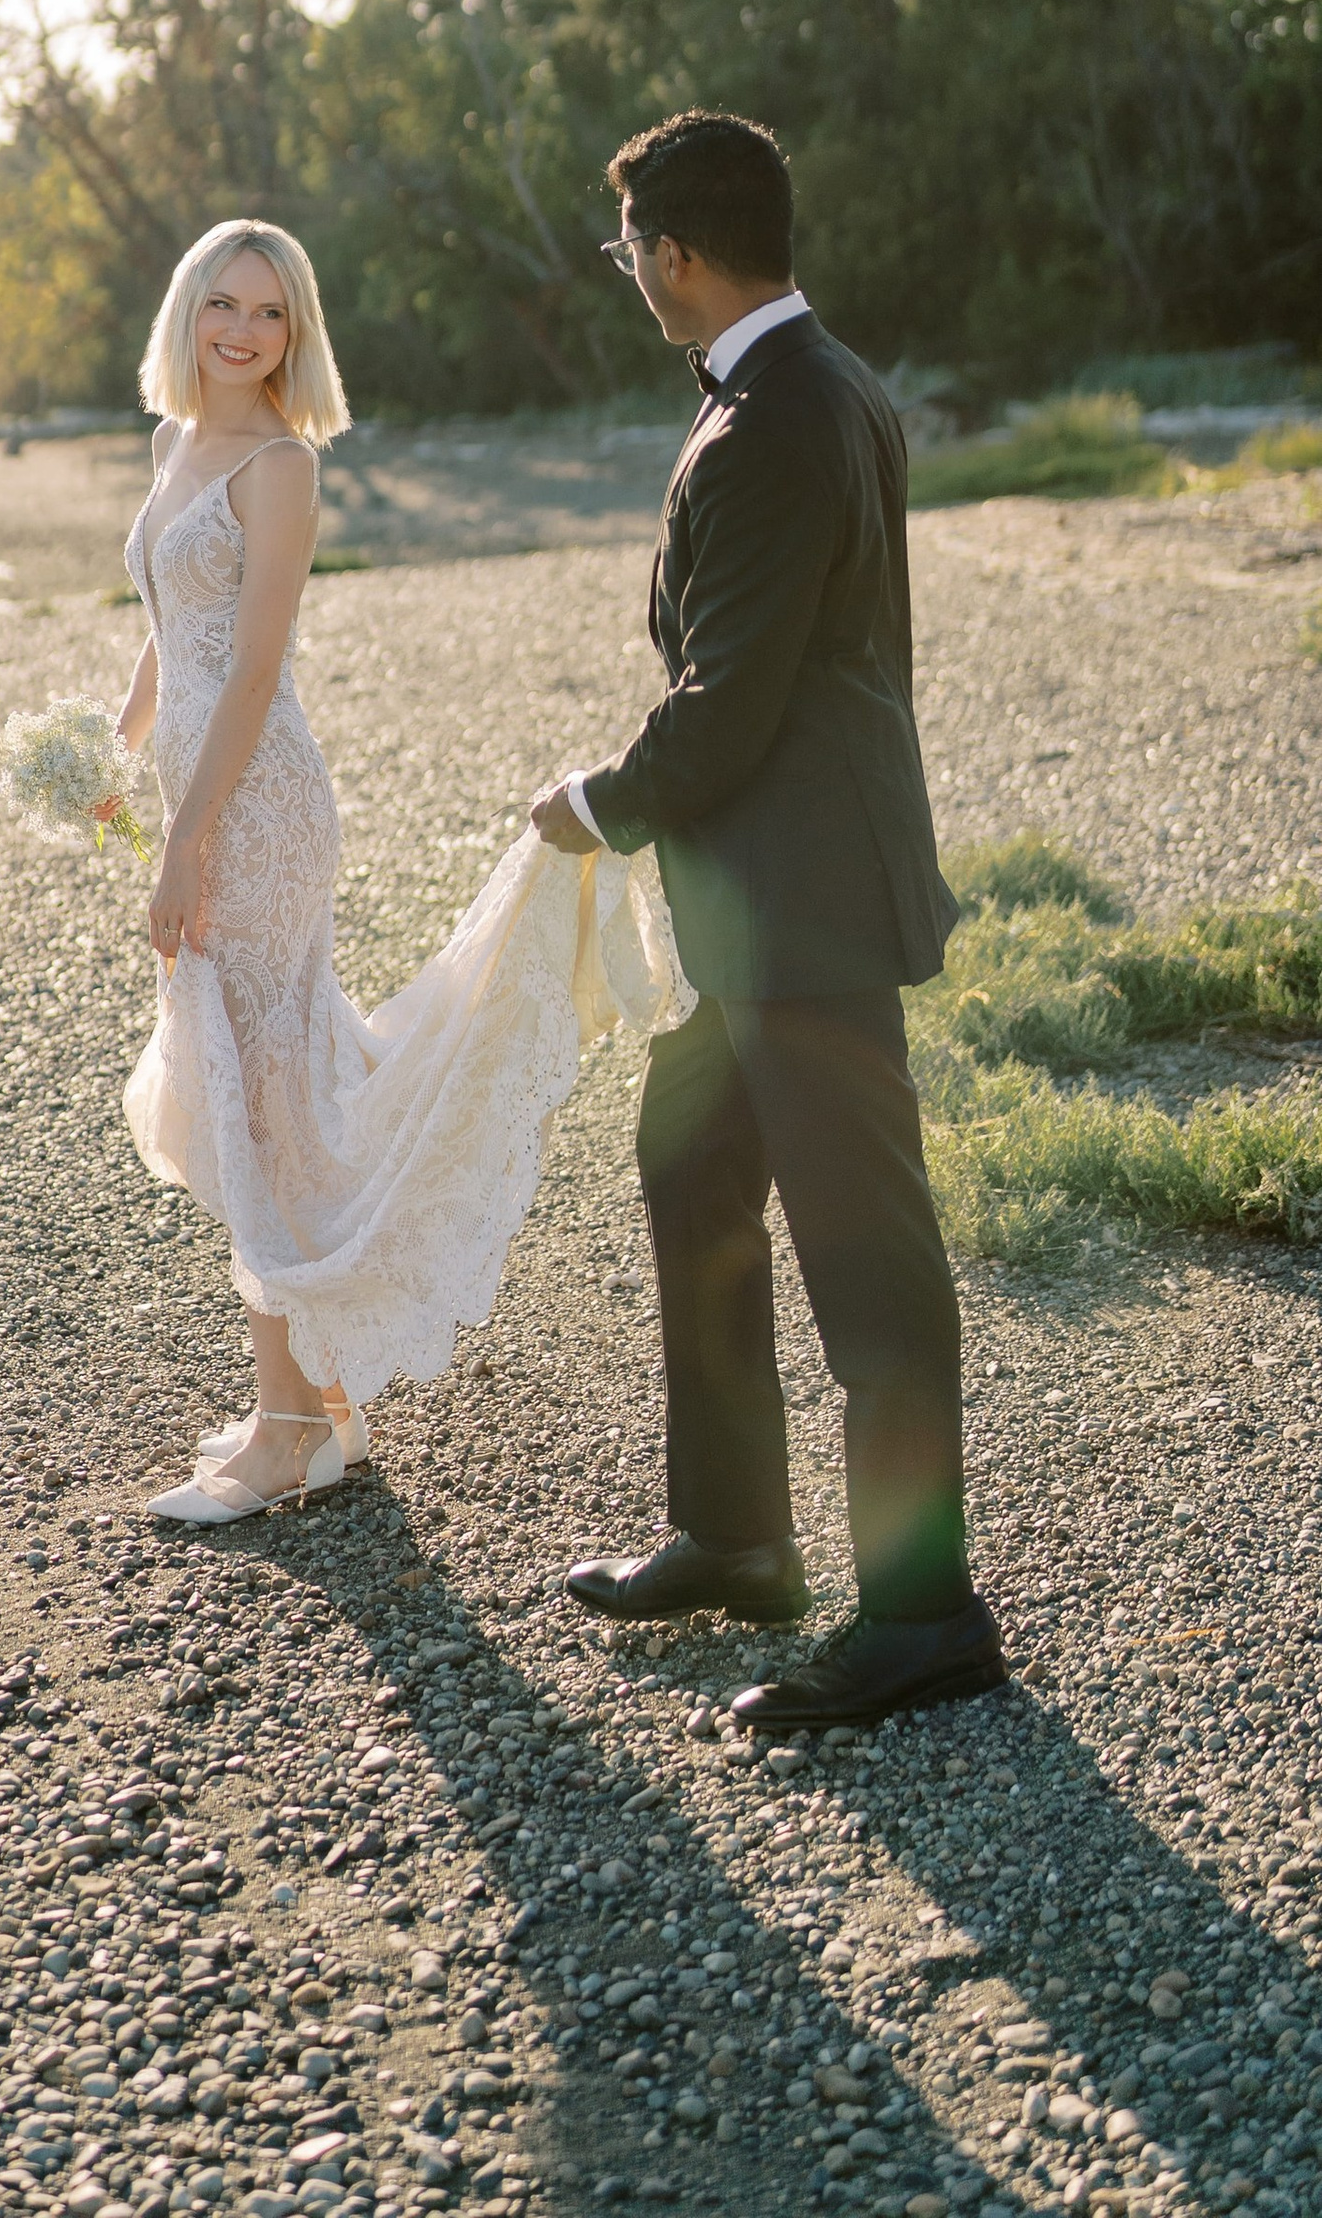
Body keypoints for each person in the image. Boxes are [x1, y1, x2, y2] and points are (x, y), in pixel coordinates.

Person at [530, 108, 1004, 1730]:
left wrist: (596, 803)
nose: (630, 279)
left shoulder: (779, 417)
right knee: (692, 1175)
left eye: (630, 253)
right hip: (759, 903)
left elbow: (726, 699)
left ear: (674, 250)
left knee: (869, 1260)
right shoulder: (816, 382)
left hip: (803, 903)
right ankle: (735, 1534)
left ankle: (926, 1613)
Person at [116, 217, 686, 1526]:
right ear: (188, 316)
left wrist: (188, 839)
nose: (242, 333)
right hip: (200, 797)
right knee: (265, 1091)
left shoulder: (279, 466)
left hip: (259, 812)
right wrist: (111, 750)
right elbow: (171, 635)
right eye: (223, 306)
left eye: (268, 314)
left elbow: (254, 672)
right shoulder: (173, 446)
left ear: (295, 334)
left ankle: (283, 1435)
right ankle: (319, 1411)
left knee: (257, 1102)